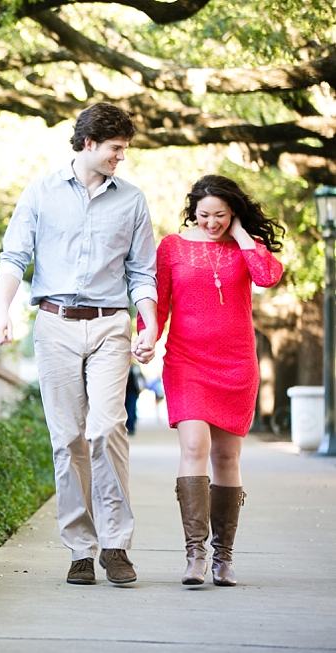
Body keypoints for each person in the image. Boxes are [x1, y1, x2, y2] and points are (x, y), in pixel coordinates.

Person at [0, 103, 158, 586]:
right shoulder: (40, 193)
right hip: (55, 323)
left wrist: (149, 325)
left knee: (107, 429)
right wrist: (1, 312)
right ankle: (81, 549)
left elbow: (142, 273)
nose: (120, 158)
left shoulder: (132, 200)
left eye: (123, 150)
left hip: (110, 325)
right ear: (89, 144)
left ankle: (116, 544)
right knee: (67, 440)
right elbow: (13, 257)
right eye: (115, 149)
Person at [144, 175, 284, 586]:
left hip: (236, 364)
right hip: (187, 361)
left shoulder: (244, 247)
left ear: (233, 212)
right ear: (193, 211)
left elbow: (268, 276)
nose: (211, 222)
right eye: (204, 214)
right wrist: (148, 333)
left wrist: (241, 234)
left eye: (221, 215)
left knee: (226, 458)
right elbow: (161, 300)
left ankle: (224, 557)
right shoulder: (172, 247)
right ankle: (195, 555)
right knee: (194, 445)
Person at [125, 363, 146, 435]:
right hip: (123, 392)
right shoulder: (122, 365)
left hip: (133, 392)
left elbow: (141, 379)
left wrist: (141, 389)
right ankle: (126, 426)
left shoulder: (136, 368)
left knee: (131, 409)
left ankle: (131, 428)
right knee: (125, 410)